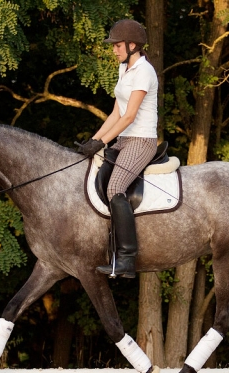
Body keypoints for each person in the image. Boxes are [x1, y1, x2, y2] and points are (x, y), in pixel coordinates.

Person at [77, 19, 158, 278]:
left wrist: (103, 142)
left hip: (141, 141)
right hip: (123, 140)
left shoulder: (144, 71)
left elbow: (130, 116)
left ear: (133, 45)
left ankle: (126, 259)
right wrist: (94, 139)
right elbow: (115, 113)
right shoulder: (125, 69)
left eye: (118, 45)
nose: (114, 50)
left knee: (115, 188)